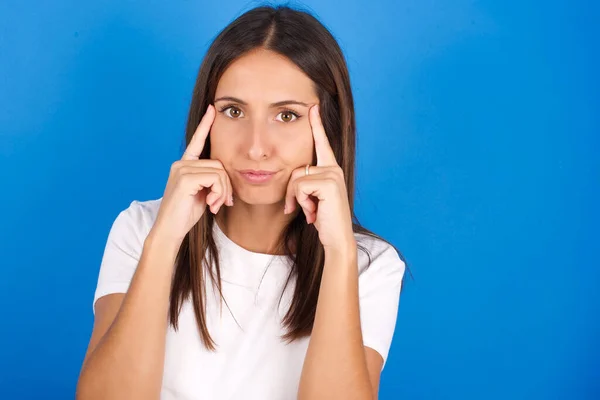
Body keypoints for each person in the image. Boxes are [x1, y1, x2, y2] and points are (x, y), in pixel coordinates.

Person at [76, 5, 407, 400]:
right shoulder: (142, 227)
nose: (255, 148)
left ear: (331, 129)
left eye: (286, 116)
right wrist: (164, 240)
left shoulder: (370, 265)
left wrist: (338, 254)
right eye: (234, 111)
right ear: (206, 118)